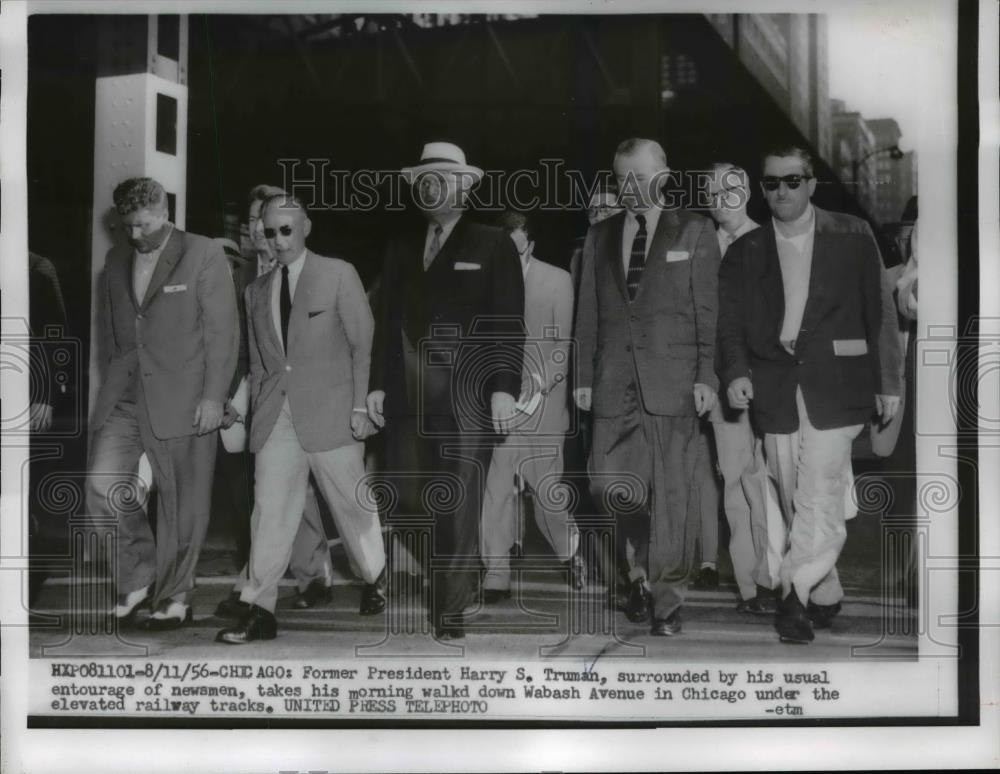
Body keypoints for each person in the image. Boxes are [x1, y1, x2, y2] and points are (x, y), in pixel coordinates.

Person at [716, 145, 902, 643]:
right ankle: (825, 590)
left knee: (818, 487)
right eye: (772, 183)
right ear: (763, 188)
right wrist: (735, 371)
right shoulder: (745, 251)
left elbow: (879, 311)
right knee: (790, 491)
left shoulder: (853, 235)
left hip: (837, 380)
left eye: (793, 181)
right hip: (774, 385)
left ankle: (794, 594)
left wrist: (889, 381)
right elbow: (729, 325)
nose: (782, 191)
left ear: (812, 183)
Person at [367, 142, 524, 640]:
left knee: (456, 503)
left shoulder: (493, 242)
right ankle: (459, 573)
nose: (431, 188)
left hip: (468, 399)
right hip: (408, 399)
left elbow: (508, 323)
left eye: (442, 179)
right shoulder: (399, 247)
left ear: (464, 188)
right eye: (423, 180)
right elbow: (385, 324)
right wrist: (375, 387)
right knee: (407, 499)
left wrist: (504, 388)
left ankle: (450, 608)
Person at [216, 195, 387, 644]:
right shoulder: (255, 292)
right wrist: (251, 416)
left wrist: (360, 408)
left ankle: (375, 575)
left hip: (334, 414)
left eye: (286, 230)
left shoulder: (338, 273)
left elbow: (363, 344)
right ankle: (259, 609)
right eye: (269, 232)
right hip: (278, 420)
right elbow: (259, 365)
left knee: (352, 507)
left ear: (306, 227)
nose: (277, 240)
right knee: (269, 513)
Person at [574, 138, 721, 636]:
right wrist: (582, 379)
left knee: (673, 495)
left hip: (675, 383)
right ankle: (636, 569)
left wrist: (706, 377)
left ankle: (666, 599)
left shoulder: (696, 230)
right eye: (621, 178)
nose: (629, 186)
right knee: (608, 486)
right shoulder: (600, 234)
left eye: (638, 175)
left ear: (664, 174)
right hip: (614, 381)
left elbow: (709, 313)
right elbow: (588, 313)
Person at [87, 176, 239, 629]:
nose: (135, 236)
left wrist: (215, 398)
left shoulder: (203, 253)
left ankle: (176, 596)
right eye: (127, 226)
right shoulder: (114, 262)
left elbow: (222, 335)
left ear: (165, 211)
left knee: (182, 504)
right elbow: (112, 337)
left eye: (143, 225)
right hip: (127, 398)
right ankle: (137, 578)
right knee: (102, 484)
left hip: (185, 399)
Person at [213, 185, 337, 620]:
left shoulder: (306, 270)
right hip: (246, 384)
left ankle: (307, 573)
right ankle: (265, 575)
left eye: (260, 219)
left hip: (290, 391)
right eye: (250, 221)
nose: (255, 229)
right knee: (257, 490)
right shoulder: (234, 269)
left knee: (289, 488)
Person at [480, 211, 585, 602]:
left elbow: (563, 345)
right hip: (501, 403)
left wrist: (539, 384)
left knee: (547, 495)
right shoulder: (486, 279)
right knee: (496, 489)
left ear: (532, 245)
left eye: (517, 245)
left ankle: (569, 551)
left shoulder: (557, 279)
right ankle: (496, 571)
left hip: (543, 403)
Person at [701, 163, 783, 612]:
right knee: (734, 484)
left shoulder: (775, 241)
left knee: (772, 483)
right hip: (720, 388)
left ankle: (778, 577)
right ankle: (753, 587)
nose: (720, 196)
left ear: (748, 189)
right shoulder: (700, 248)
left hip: (773, 385)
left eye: (730, 187)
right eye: (711, 190)